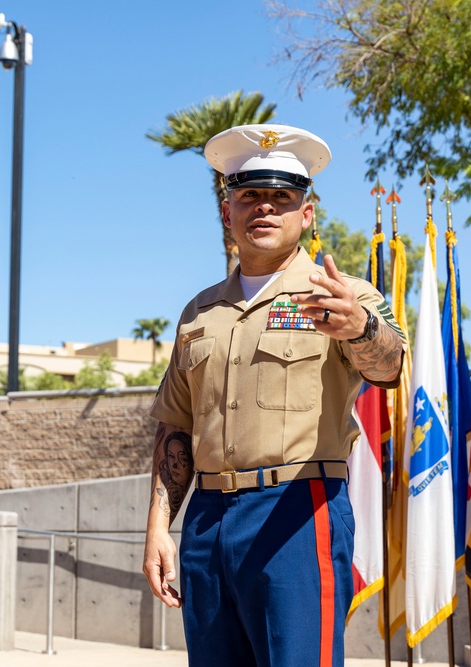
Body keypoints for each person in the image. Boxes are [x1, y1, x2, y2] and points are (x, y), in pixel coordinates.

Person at [142, 124, 406, 667]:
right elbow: (175, 429)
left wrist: (359, 328)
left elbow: (392, 367)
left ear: (306, 214)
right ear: (227, 212)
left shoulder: (343, 295)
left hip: (296, 513)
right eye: (249, 196)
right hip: (206, 520)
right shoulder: (199, 313)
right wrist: (157, 530)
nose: (264, 208)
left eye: (281, 197)